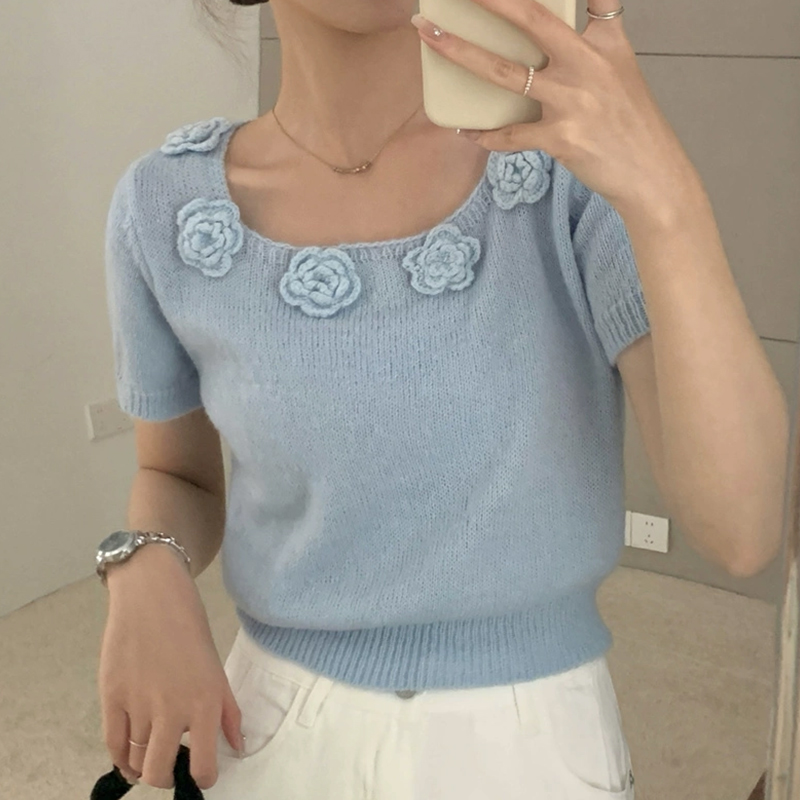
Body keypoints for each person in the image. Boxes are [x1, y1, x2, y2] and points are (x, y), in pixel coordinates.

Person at [97, 0, 788, 797]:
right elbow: (177, 476)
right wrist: (144, 567)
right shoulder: (164, 207)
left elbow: (741, 530)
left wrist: (666, 197)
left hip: (531, 750)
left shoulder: (572, 173)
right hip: (268, 735)